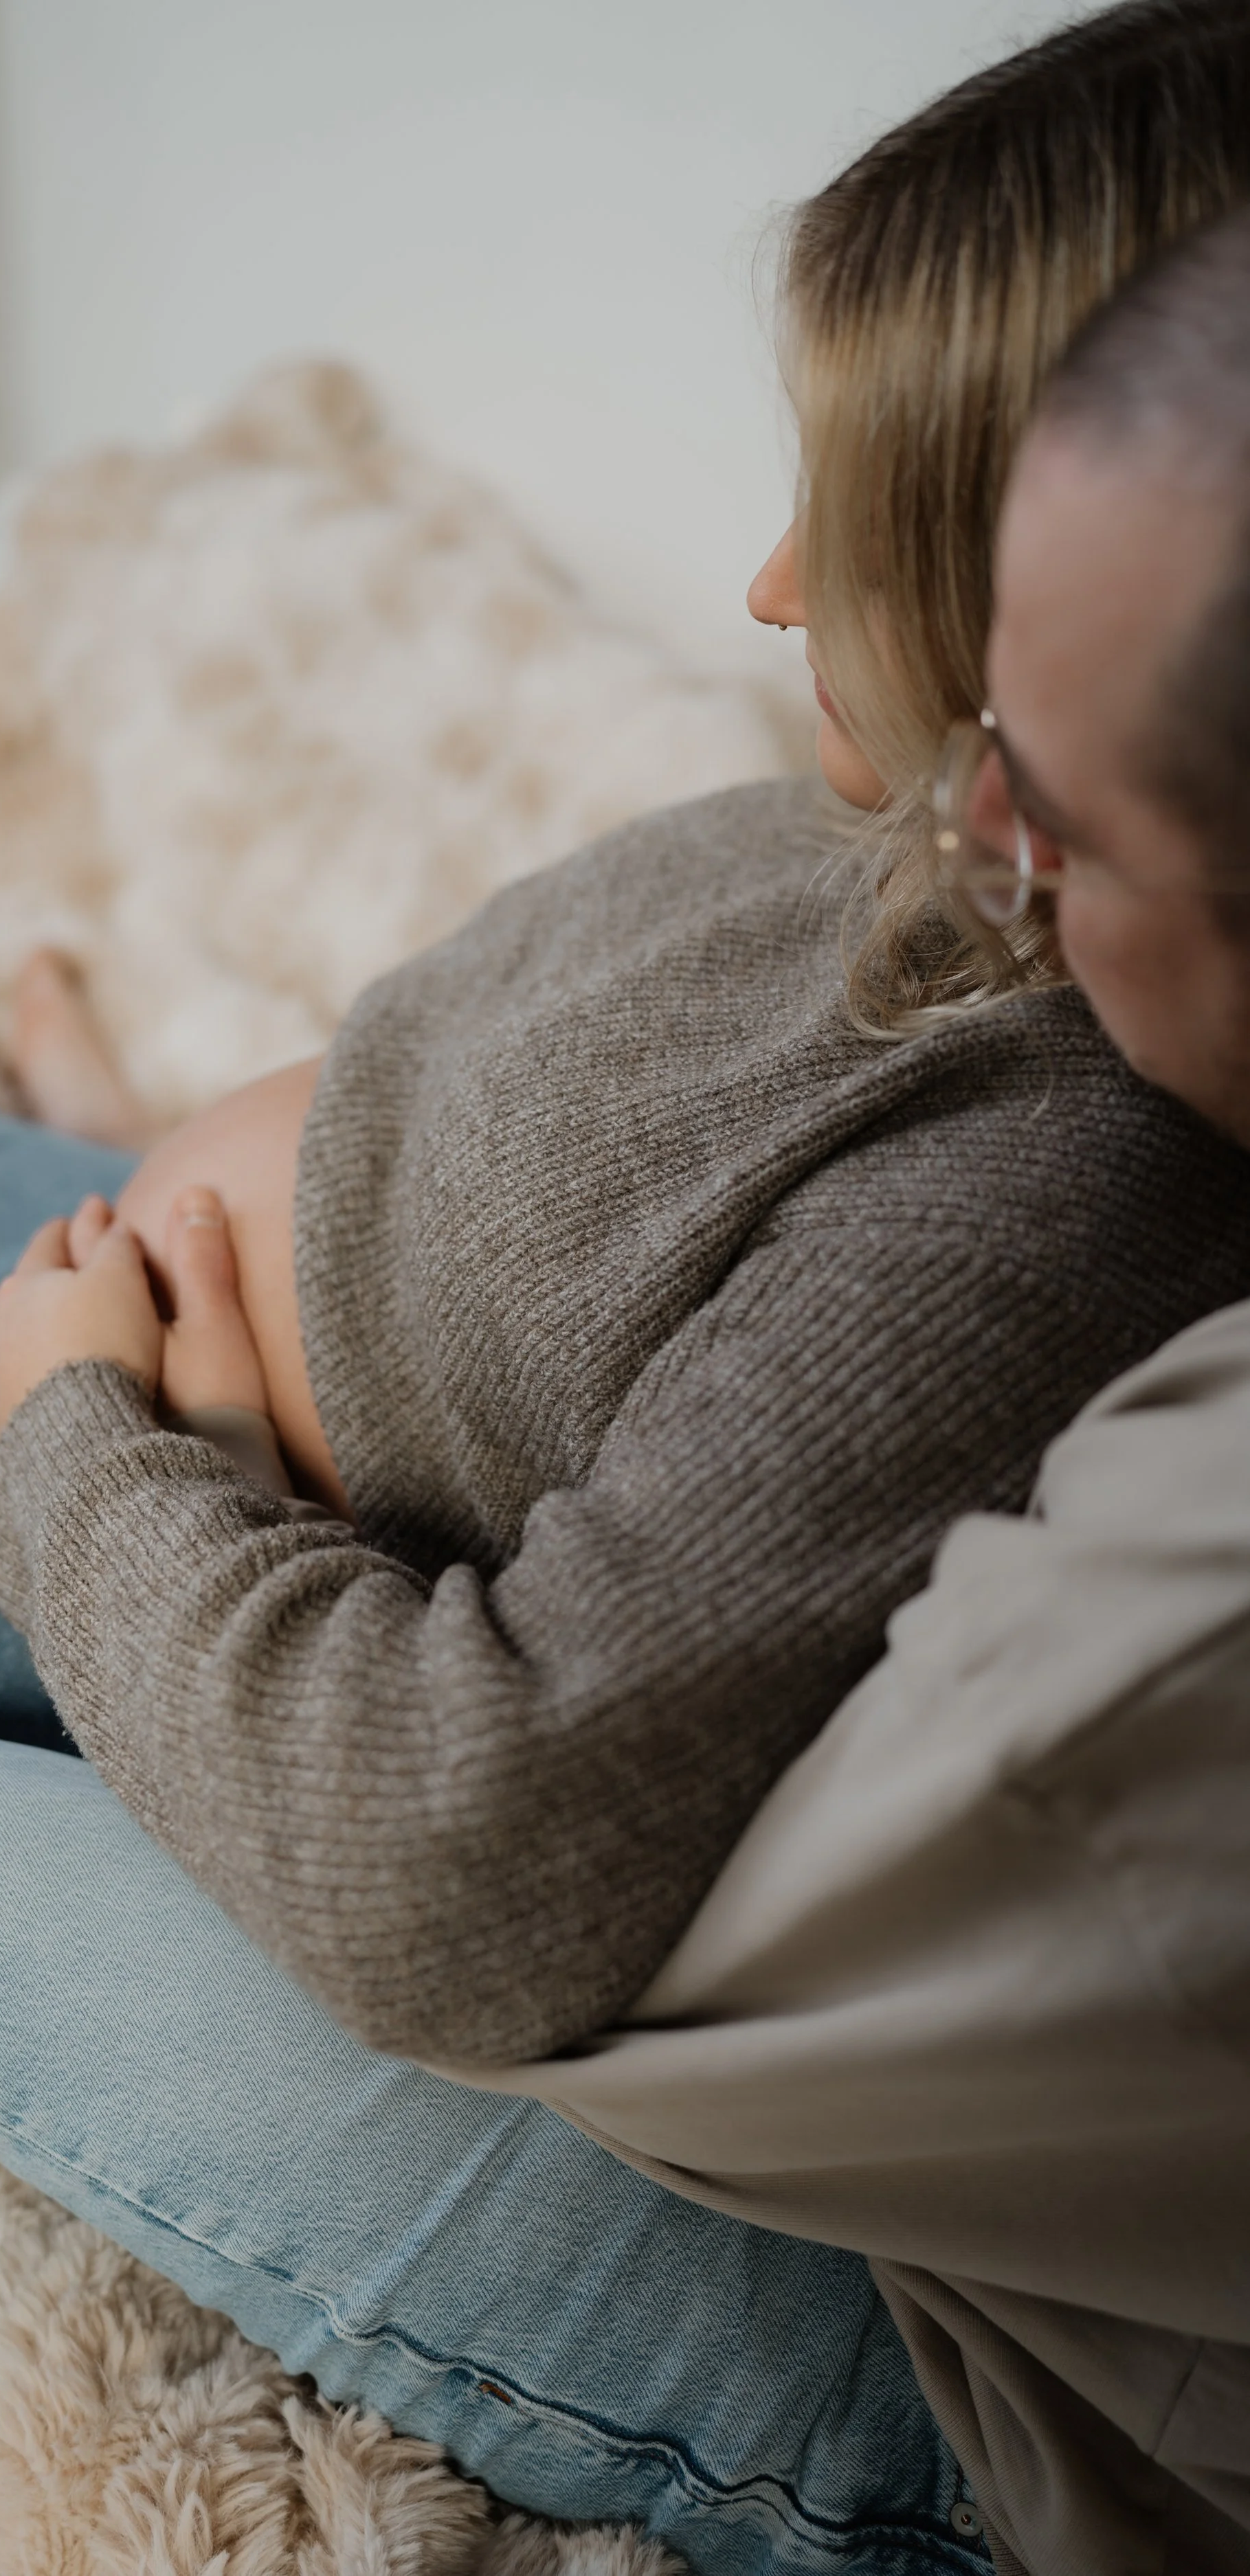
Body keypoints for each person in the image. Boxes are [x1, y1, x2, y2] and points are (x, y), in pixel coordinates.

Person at [0, 9, 1247, 2571]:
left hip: (221, 1520)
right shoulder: (956, 858)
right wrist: (184, 1118)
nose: (763, 584)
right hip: (170, 1283)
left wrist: (95, 1434)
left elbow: (487, 1817)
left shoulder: (1067, 1152)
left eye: (858, 531)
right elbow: (582, 1164)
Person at [434, 201, 1250, 2576]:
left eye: (1060, 817)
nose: (982, 853)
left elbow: (486, 1850)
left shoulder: (1144, 1458)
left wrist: (100, 1420)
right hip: (257, 1314)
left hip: (963, 2386)